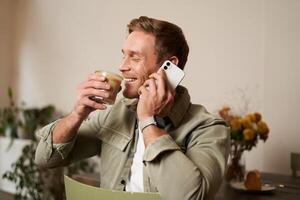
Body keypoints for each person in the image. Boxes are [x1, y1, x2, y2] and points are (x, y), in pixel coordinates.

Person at [35, 16, 230, 200]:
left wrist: (147, 120)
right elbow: (46, 158)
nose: (122, 66)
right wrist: (76, 114)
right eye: (123, 56)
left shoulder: (208, 128)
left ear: (169, 65)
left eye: (135, 58)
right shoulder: (115, 112)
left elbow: (192, 196)